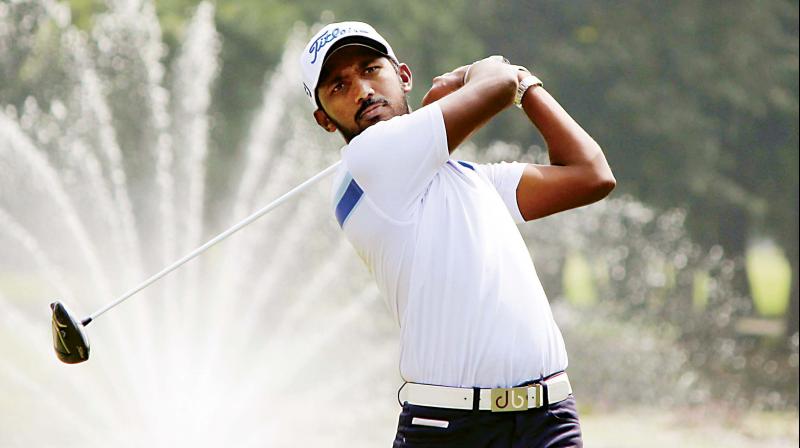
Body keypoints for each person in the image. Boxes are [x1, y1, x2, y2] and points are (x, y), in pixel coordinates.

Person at [300, 21, 615, 448]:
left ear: (404, 76)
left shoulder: (473, 180)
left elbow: (590, 175)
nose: (362, 91)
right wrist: (485, 72)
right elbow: (498, 81)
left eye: (371, 69)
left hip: (548, 419)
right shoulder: (368, 160)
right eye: (339, 85)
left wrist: (526, 86)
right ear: (324, 119)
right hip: (449, 427)